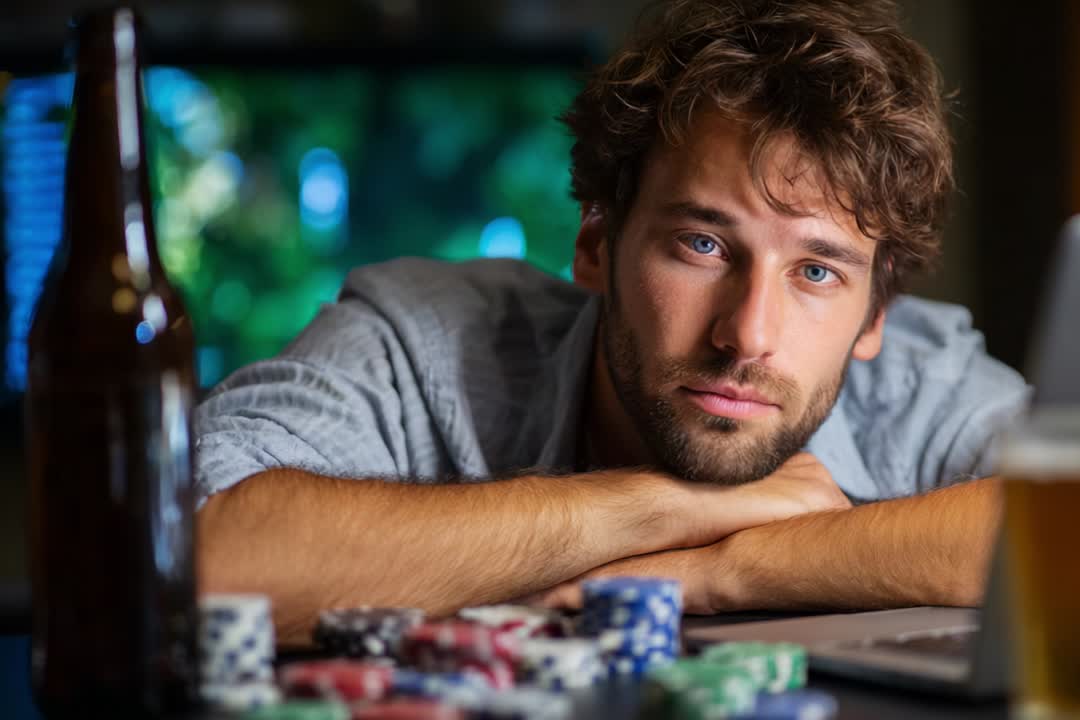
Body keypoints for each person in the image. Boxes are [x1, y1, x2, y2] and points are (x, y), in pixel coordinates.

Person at [195, 0, 1029, 643]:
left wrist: (723, 570)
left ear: (875, 313)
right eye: (702, 244)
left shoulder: (923, 382)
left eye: (816, 271)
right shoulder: (423, 337)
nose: (747, 335)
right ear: (597, 244)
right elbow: (191, 553)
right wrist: (650, 507)